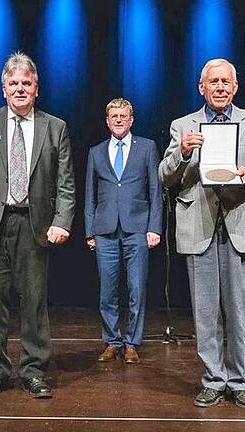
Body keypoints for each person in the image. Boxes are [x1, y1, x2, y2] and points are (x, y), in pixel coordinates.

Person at [158, 58, 245, 410]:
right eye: (214, 82)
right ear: (202, 87)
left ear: (235, 87)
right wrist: (182, 153)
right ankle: (213, 378)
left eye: (227, 81)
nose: (221, 87)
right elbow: (165, 176)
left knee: (241, 311)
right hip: (199, 227)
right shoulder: (183, 125)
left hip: (241, 223)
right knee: (205, 312)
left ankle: (240, 380)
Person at [0, 51, 75, 399]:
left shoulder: (56, 127)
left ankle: (34, 370)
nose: (20, 89)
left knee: (34, 303)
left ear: (36, 89)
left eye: (26, 83)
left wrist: (63, 221)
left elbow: (65, 183)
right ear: (3, 89)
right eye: (13, 83)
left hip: (35, 225)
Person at [84, 98, 162, 365]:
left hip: (137, 229)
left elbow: (155, 191)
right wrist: (89, 231)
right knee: (107, 291)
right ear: (107, 121)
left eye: (123, 116)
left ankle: (131, 343)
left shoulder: (147, 148)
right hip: (104, 229)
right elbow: (89, 196)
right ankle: (112, 341)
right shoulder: (96, 152)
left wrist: (154, 228)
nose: (118, 120)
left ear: (131, 120)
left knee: (136, 289)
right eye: (113, 116)